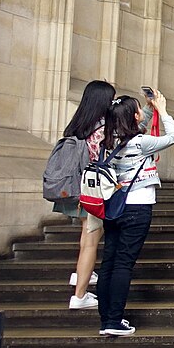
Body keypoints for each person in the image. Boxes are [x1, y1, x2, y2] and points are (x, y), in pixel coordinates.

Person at [98, 90, 174, 336]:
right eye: (137, 110)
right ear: (132, 116)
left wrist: (148, 108)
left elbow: (135, 126)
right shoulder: (141, 143)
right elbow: (173, 137)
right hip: (138, 206)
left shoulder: (109, 140)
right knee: (124, 263)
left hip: (114, 206)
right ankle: (114, 320)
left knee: (109, 262)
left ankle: (106, 318)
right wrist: (163, 110)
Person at [57, 80, 116, 310]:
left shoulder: (79, 124)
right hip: (93, 192)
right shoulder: (102, 129)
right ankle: (80, 296)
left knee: (88, 235)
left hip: (78, 190)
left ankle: (83, 274)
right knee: (91, 242)